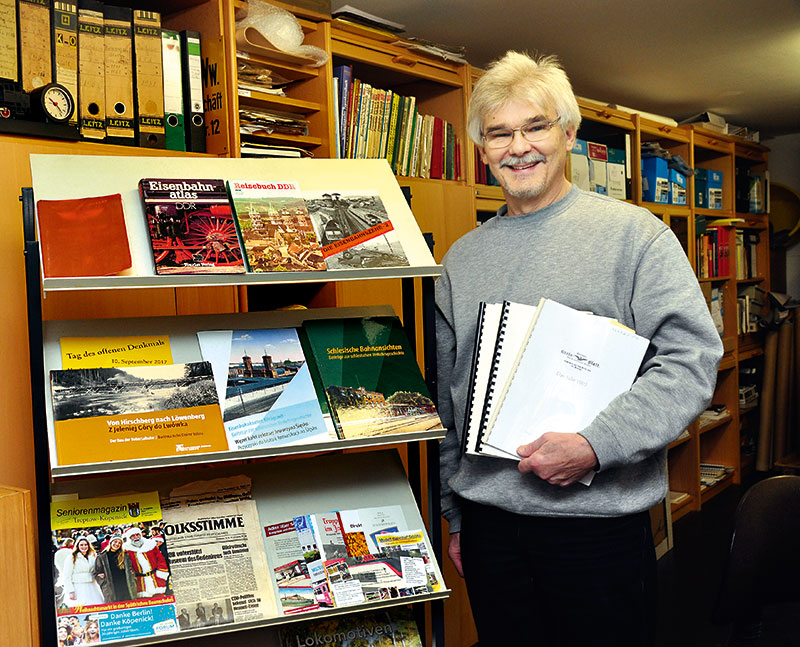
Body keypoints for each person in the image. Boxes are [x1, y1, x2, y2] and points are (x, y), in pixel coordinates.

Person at [435, 51, 723, 647]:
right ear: (482, 148)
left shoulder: (637, 235)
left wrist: (596, 445)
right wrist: (456, 516)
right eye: (499, 133)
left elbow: (691, 361)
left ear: (568, 133)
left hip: (596, 530)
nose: (519, 147)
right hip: (490, 528)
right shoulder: (460, 261)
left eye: (535, 126)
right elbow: (447, 398)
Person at [121, 526, 170, 598]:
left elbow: (160, 560)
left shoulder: (150, 545)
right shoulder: (126, 549)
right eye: (133, 536)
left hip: (156, 579)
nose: (136, 537)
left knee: (160, 600)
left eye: (137, 535)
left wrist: (161, 575)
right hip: (139, 583)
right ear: (129, 538)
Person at [61, 538, 105, 608]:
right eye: (81, 545)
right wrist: (70, 591)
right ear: (77, 546)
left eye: (85, 545)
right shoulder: (71, 557)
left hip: (93, 586)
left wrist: (99, 574)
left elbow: (97, 569)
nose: (84, 547)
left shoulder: (93, 556)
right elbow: (66, 576)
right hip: (78, 587)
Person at [95, 534, 131, 602]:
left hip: (125, 586)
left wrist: (132, 575)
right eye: (115, 541)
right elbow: (96, 572)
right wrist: (102, 580)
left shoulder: (124, 555)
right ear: (111, 542)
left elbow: (130, 568)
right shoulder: (102, 557)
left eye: (119, 543)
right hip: (111, 587)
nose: (117, 544)